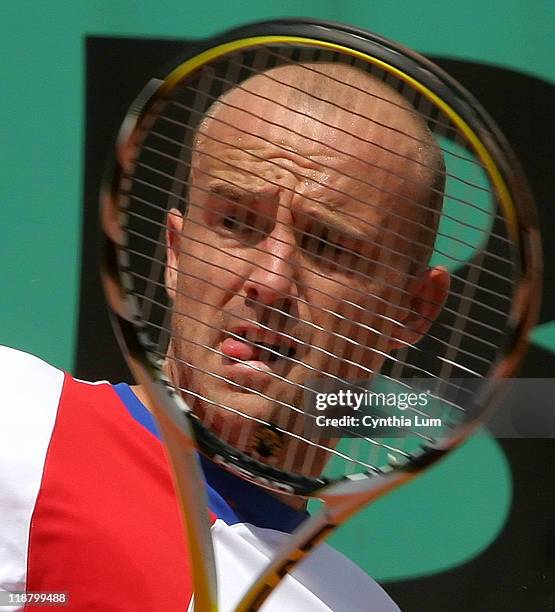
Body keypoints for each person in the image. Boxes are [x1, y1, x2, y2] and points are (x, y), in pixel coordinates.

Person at [0, 61, 448, 610]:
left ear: (412, 310)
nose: (270, 280)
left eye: (328, 244)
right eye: (236, 222)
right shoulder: (12, 421)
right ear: (175, 251)